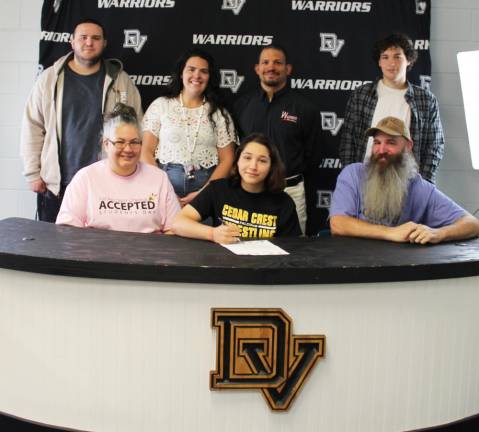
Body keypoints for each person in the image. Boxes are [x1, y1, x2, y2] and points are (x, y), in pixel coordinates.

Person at [21, 18, 142, 223]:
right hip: (57, 185)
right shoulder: (49, 79)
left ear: (104, 43)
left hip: (106, 184)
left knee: (100, 249)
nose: (89, 43)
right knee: (52, 249)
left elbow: (137, 127)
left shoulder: (121, 81)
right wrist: (32, 173)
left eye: (95, 38)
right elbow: (33, 126)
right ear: (72, 41)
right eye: (83, 37)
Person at [330, 117, 479, 244]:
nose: (381, 150)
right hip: (353, 266)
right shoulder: (352, 174)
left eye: (391, 142)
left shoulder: (419, 187)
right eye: (377, 142)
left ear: (408, 147)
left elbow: (472, 224)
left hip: (396, 271)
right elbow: (338, 224)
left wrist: (438, 233)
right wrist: (391, 233)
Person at [234, 44, 319, 234]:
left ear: (288, 69)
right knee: (247, 247)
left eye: (277, 62)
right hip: (250, 191)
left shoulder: (305, 108)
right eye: (265, 62)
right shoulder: (242, 106)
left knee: (294, 251)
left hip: (290, 190)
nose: (271, 67)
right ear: (257, 69)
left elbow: (313, 155)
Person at [56, 104, 180, 233]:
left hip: (148, 252)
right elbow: (67, 230)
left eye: (134, 142)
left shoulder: (159, 178)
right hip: (97, 251)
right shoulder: (85, 178)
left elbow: (174, 228)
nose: (128, 149)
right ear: (106, 144)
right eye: (120, 142)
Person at [339, 33, 445, 184]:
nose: (391, 63)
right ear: (379, 62)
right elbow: (348, 141)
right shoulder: (361, 95)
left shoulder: (425, 100)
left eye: (397, 57)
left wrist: (424, 183)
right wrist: (351, 178)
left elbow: (434, 145)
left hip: (408, 182)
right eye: (385, 57)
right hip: (366, 179)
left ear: (408, 60)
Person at [141, 48, 237, 207]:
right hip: (162, 188)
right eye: (191, 69)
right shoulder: (161, 105)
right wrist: (165, 190)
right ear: (181, 73)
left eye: (203, 71)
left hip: (205, 191)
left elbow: (227, 160)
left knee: (199, 232)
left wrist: (205, 194)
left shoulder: (219, 113)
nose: (197, 76)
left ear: (209, 77)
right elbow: (145, 152)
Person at [172, 133, 301, 244]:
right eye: (247, 158)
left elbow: (292, 248)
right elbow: (178, 223)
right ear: (237, 160)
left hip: (266, 270)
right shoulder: (218, 189)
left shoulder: (284, 203)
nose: (253, 166)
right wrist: (212, 234)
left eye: (262, 161)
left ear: (271, 166)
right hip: (225, 267)